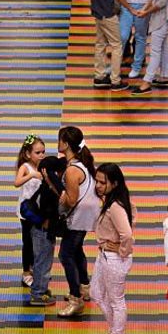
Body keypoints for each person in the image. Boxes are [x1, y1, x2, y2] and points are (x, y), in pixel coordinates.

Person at [56, 126, 102, 318]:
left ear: (66, 144)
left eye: (60, 140)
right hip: (87, 217)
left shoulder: (72, 170)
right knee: (76, 251)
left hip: (77, 219)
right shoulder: (83, 163)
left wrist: (61, 196)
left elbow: (72, 200)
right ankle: (84, 287)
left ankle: (76, 299)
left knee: (65, 256)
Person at [91, 163, 134, 334]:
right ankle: (115, 331)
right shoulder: (114, 200)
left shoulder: (115, 206)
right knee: (96, 292)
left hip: (114, 259)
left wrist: (121, 250)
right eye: (97, 181)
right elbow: (134, 213)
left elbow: (127, 234)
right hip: (105, 255)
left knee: (117, 301)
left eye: (103, 182)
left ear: (114, 183)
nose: (98, 185)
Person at [15, 135, 46, 290]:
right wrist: (32, 175)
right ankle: (26, 272)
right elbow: (17, 182)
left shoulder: (44, 167)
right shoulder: (25, 167)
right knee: (27, 242)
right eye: (37, 153)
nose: (41, 155)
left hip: (38, 211)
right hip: (26, 212)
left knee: (38, 242)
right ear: (28, 154)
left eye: (43, 152)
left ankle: (35, 268)